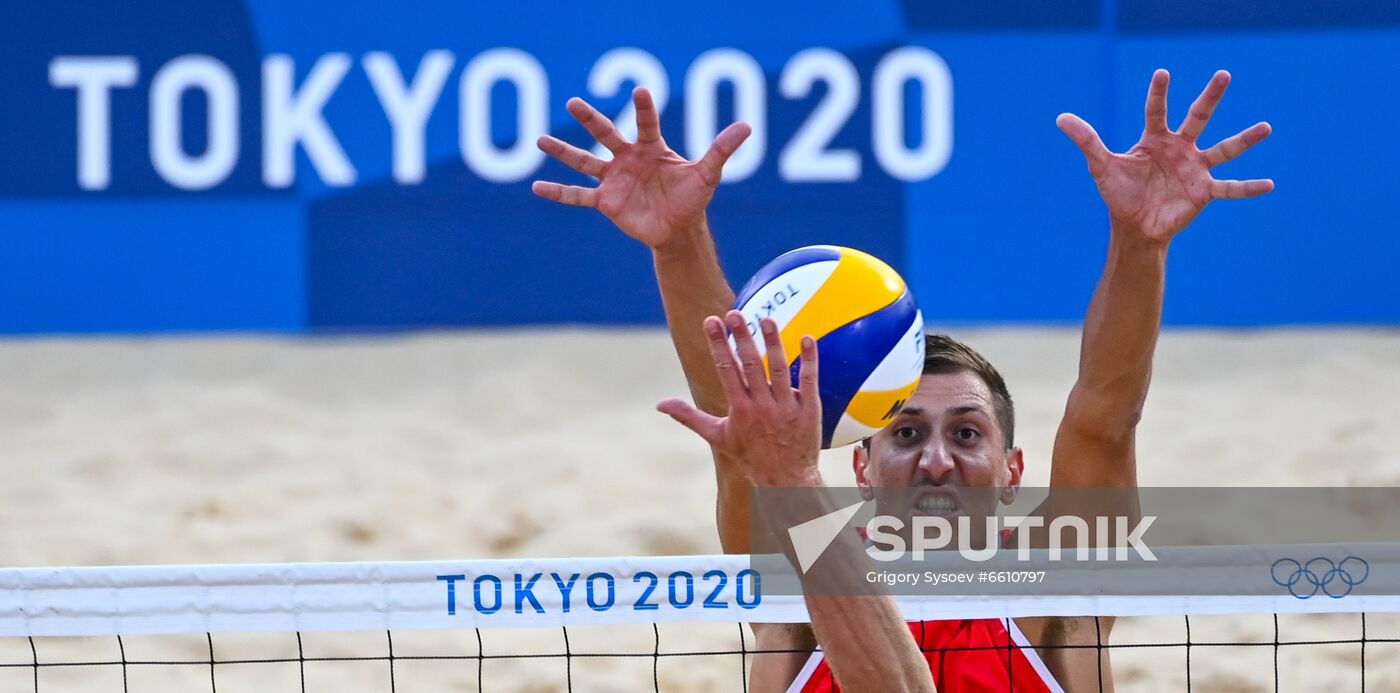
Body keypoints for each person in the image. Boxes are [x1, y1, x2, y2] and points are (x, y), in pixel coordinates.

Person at [533, 69, 1272, 691]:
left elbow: (1104, 417)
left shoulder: (1051, 598)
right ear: (860, 465)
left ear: (1013, 471)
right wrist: (678, 242)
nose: (937, 457)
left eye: (968, 432)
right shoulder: (798, 586)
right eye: (908, 431)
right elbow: (742, 425)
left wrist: (1140, 243)